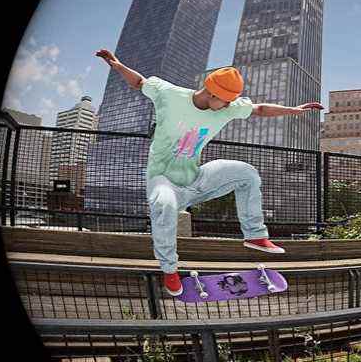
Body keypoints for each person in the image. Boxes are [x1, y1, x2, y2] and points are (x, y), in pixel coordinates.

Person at [96, 49, 323, 296]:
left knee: (247, 174)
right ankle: (170, 271)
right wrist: (117, 65)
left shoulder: (225, 107)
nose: (228, 106)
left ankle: (255, 236)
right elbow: (139, 82)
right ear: (212, 92)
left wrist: (294, 110)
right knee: (165, 205)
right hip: (164, 181)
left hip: (197, 179)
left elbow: (258, 109)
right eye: (225, 101)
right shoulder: (169, 94)